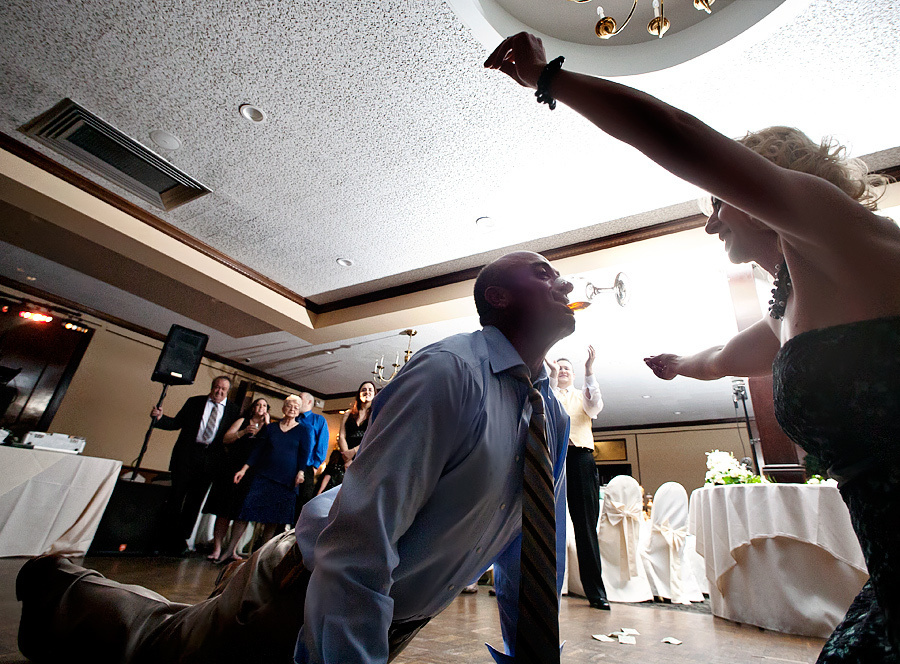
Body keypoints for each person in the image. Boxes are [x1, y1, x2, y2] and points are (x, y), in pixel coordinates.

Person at [484, 32, 899, 661]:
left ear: (756, 192)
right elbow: (727, 359)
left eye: (718, 202)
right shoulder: (791, 306)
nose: (711, 223)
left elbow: (676, 134)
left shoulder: (832, 222)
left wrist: (548, 79)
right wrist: (679, 366)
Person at [16, 250, 576, 664]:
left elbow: (533, 544)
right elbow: (362, 537)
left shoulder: (551, 415)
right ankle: (55, 580)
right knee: (158, 646)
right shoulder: (449, 373)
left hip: (388, 612)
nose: (565, 282)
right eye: (543, 273)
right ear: (498, 297)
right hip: (305, 588)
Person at [547, 347, 609, 610]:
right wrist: (550, 375)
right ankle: (546, 588)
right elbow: (544, 405)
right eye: (558, 367)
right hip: (551, 461)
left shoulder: (583, 397)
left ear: (573, 375)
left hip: (580, 459)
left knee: (585, 526)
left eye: (567, 369)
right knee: (546, 522)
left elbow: (595, 406)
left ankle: (596, 593)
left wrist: (589, 370)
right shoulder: (547, 393)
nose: (562, 371)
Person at [151, 375, 240, 554]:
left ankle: (181, 542)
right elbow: (176, 423)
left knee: (194, 502)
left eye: (223, 389)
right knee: (176, 497)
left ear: (228, 392)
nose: (219, 391)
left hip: (210, 462)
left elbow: (231, 437)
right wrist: (160, 418)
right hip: (186, 456)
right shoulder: (195, 402)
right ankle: (163, 540)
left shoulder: (233, 411)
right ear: (212, 387)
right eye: (217, 387)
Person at [233, 395, 311, 545]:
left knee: (273, 519)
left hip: (286, 481)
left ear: (299, 411)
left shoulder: (303, 431)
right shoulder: (271, 428)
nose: (292, 409)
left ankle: (261, 553)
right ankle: (230, 550)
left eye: (296, 407)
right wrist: (243, 469)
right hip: (264, 477)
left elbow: (304, 454)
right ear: (283, 408)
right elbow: (257, 450)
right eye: (289, 406)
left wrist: (301, 472)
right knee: (245, 512)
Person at [202, 397, 270, 562]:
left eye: (264, 405)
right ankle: (217, 548)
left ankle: (232, 549)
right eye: (258, 405)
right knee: (224, 510)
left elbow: (271, 446)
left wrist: (267, 425)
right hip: (231, 468)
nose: (260, 407)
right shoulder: (242, 421)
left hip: (252, 472)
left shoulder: (269, 427)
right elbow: (226, 439)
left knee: (241, 513)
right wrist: (243, 432)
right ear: (253, 408)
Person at [317, 381, 375, 495]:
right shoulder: (348, 413)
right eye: (363, 389)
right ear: (359, 394)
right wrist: (347, 458)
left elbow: (372, 437)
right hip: (344, 455)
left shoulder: (375, 414)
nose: (367, 392)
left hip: (362, 455)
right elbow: (342, 435)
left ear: (374, 394)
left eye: (370, 390)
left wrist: (353, 452)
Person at [293, 392, 330, 517]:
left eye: (300, 398)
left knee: (301, 505)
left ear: (309, 402)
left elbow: (322, 445)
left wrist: (315, 466)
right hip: (290, 465)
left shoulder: (319, 420)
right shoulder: (294, 418)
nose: (297, 400)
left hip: (307, 467)